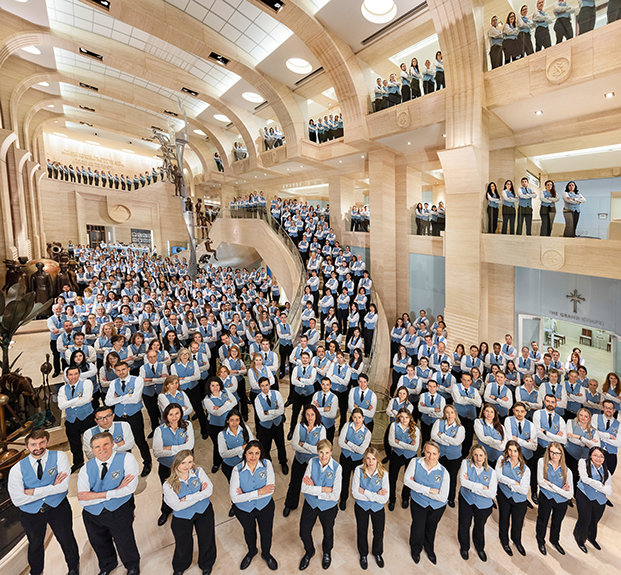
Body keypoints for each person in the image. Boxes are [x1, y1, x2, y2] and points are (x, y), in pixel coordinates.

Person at [8, 429, 79, 575]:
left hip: (58, 508)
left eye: (42, 443)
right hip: (30, 514)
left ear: (47, 442)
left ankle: (73, 567)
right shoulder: (17, 469)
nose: (38, 447)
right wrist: (52, 487)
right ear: (26, 446)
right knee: (35, 544)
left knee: (66, 539)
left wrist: (33, 491)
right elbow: (17, 499)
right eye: (33, 444)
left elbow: (63, 487)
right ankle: (36, 571)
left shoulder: (59, 457)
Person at [77, 431, 140, 575]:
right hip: (92, 514)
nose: (102, 449)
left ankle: (132, 566)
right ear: (92, 450)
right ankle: (107, 566)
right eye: (97, 447)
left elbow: (130, 489)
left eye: (105, 444)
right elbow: (82, 498)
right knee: (99, 542)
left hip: (119, 511)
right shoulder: (85, 468)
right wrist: (115, 491)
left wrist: (94, 495)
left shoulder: (127, 458)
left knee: (124, 540)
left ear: (113, 444)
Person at [163, 450, 216, 575]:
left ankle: (206, 563)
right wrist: (200, 494)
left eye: (190, 462)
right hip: (182, 517)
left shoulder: (199, 471)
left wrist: (186, 498)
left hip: (204, 511)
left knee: (207, 538)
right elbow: (176, 506)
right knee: (183, 543)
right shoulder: (168, 484)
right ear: (176, 464)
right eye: (183, 463)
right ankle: (180, 566)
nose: (187, 466)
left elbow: (209, 490)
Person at [230, 440, 278, 571]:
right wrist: (260, 491)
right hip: (244, 510)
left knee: (266, 532)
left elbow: (270, 491)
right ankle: (252, 551)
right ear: (245, 453)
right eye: (250, 453)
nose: (253, 456)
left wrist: (245, 495)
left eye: (257, 453)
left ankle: (266, 554)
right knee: (249, 532)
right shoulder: (237, 470)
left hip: (265, 507)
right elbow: (234, 498)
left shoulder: (267, 464)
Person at [298, 439, 342, 571]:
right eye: (321, 452)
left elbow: (335, 495)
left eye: (327, 453)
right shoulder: (312, 462)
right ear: (317, 452)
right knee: (304, 531)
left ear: (331, 452)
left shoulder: (337, 468)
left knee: (328, 532)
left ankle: (327, 552)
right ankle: (309, 551)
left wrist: (314, 488)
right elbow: (304, 488)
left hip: (328, 507)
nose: (324, 456)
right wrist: (324, 489)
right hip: (310, 504)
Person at [404, 441, 449, 564]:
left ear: (438, 455)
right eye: (428, 452)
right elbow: (407, 481)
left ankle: (429, 548)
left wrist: (417, 487)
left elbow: (442, 497)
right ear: (423, 451)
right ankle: (415, 549)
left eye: (434, 454)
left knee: (431, 528)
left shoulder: (444, 472)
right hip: (418, 502)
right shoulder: (415, 462)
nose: (431, 456)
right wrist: (429, 490)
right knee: (418, 527)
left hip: (437, 506)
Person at [105, 361, 152, 477]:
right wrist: (127, 396)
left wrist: (117, 398)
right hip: (119, 416)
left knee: (140, 440)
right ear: (115, 371)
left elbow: (136, 399)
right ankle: (126, 465)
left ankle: (147, 462)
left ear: (128, 369)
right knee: (121, 442)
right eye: (118, 370)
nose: (121, 372)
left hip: (134, 415)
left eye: (123, 369)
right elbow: (108, 402)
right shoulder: (113, 383)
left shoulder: (137, 380)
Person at [153, 403, 195, 526]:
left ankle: (187, 508)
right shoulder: (159, 430)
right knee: (167, 491)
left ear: (181, 414)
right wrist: (181, 447)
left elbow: (190, 446)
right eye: (171, 414)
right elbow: (157, 452)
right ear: (166, 416)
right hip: (167, 467)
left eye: (177, 413)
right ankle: (165, 511)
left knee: (187, 488)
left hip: (185, 467)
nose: (174, 417)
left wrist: (169, 447)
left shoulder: (188, 425)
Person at [283, 404, 326, 516]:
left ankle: (314, 506)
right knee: (294, 483)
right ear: (304, 415)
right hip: (299, 460)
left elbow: (321, 449)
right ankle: (290, 504)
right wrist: (313, 448)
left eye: (312, 414)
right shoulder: (299, 426)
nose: (310, 417)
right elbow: (294, 446)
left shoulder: (321, 429)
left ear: (316, 415)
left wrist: (304, 445)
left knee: (314, 484)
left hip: (314, 463)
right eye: (307, 414)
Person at [457, 445, 497, 561]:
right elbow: (463, 482)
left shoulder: (492, 472)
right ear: (472, 455)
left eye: (480, 455)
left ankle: (480, 548)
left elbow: (491, 494)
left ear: (485, 456)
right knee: (464, 524)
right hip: (466, 499)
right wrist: (482, 487)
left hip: (483, 505)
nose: (478, 458)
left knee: (479, 526)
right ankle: (464, 547)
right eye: (475, 455)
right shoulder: (465, 463)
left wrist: (472, 486)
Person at [352, 447, 389, 569]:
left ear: (378, 459)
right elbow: (355, 493)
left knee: (378, 532)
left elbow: (384, 499)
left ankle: (377, 553)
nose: (371, 462)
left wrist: (365, 492)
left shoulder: (384, 474)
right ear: (365, 459)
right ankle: (363, 554)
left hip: (378, 509)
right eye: (368, 458)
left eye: (373, 458)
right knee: (362, 531)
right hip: (361, 507)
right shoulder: (358, 470)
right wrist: (376, 494)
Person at [536, 442, 573, 555]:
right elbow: (541, 482)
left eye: (557, 453)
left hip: (561, 501)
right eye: (551, 452)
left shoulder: (567, 471)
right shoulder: (542, 462)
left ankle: (554, 540)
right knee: (543, 520)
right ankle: (540, 540)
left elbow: (569, 495)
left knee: (557, 522)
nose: (554, 455)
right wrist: (561, 490)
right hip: (546, 497)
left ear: (561, 454)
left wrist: (552, 485)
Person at [573, 446, 612, 553]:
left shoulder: (606, 471)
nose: (598, 458)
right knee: (585, 519)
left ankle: (591, 537)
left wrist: (596, 484)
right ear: (590, 456)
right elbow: (585, 479)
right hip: (584, 496)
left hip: (600, 500)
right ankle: (580, 538)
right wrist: (600, 485)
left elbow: (609, 491)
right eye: (595, 455)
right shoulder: (583, 462)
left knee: (594, 520)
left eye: (601, 456)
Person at [57, 365, 95, 472]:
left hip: (87, 418)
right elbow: (61, 406)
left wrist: (69, 403)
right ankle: (78, 463)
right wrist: (78, 399)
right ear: (67, 376)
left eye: (76, 374)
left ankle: (95, 462)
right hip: (71, 420)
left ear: (79, 374)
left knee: (92, 442)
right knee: (74, 444)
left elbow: (86, 399)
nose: (73, 377)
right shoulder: (62, 389)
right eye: (70, 375)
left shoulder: (87, 383)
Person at [496, 440, 530, 556]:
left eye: (515, 451)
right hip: (503, 495)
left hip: (519, 500)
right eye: (510, 450)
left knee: (518, 522)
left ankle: (517, 541)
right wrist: (514, 483)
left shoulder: (526, 469)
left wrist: (508, 484)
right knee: (504, 519)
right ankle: (504, 541)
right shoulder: (501, 460)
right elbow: (498, 476)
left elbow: (524, 490)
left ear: (519, 452)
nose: (512, 453)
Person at [338, 407, 372, 510]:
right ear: (352, 417)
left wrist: (348, 442)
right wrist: (355, 448)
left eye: (359, 417)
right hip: (345, 458)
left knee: (358, 480)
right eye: (355, 417)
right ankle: (343, 499)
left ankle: (360, 499)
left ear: (363, 418)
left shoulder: (367, 432)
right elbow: (340, 442)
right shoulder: (347, 426)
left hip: (358, 460)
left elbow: (361, 451)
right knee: (344, 479)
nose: (357, 420)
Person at [431, 404, 465, 508]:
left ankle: (450, 498)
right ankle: (438, 495)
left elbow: (457, 442)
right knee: (438, 476)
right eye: (447, 412)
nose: (449, 415)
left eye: (452, 412)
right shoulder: (439, 422)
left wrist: (442, 435)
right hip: (440, 455)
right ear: (444, 413)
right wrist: (449, 441)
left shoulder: (460, 428)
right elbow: (433, 436)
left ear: (455, 414)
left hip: (454, 457)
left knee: (452, 478)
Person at [254, 377, 289, 474]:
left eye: (266, 385)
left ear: (269, 385)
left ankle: (283, 462)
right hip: (265, 428)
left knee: (281, 445)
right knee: (265, 448)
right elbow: (262, 417)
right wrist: (275, 412)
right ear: (259, 386)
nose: (265, 388)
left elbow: (281, 411)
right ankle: (267, 464)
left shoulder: (276, 394)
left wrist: (268, 412)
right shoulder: (257, 399)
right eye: (262, 386)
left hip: (278, 425)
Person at [203, 376, 237, 474]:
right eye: (212, 385)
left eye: (217, 385)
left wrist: (221, 407)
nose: (215, 388)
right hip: (215, 426)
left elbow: (234, 401)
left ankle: (229, 459)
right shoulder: (207, 399)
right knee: (218, 445)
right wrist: (227, 404)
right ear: (209, 387)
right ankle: (216, 463)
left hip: (229, 423)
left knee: (229, 442)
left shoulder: (225, 391)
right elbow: (216, 413)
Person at [388, 408, 420, 510]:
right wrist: (407, 445)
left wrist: (399, 442)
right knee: (392, 478)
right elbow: (391, 442)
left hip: (410, 456)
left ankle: (405, 497)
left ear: (410, 418)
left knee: (408, 478)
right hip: (396, 454)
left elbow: (414, 448)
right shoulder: (394, 426)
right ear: (398, 417)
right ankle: (392, 499)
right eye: (401, 417)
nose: (404, 419)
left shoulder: (416, 429)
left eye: (406, 417)